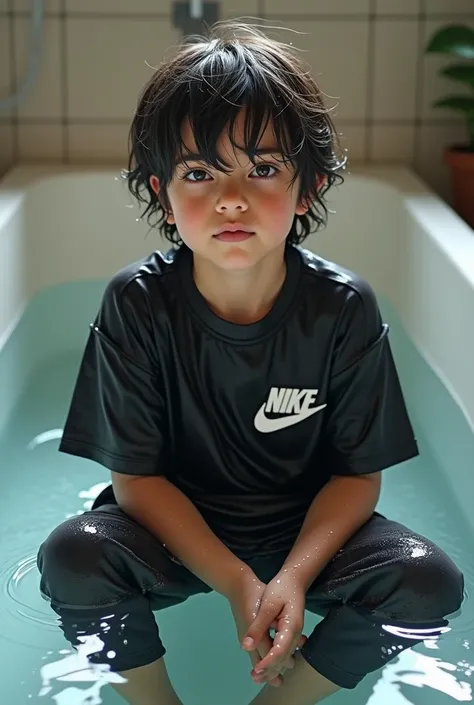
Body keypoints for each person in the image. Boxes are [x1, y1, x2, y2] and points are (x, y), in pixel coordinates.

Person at [37, 20, 464, 705]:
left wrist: (292, 575)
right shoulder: (137, 304)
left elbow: (358, 476)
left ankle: (280, 703)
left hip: (306, 533)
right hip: (173, 533)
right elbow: (138, 480)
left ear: (307, 188)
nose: (230, 198)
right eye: (199, 173)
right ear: (163, 196)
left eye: (262, 168)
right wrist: (237, 581)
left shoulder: (342, 307)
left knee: (429, 581)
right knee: (72, 557)